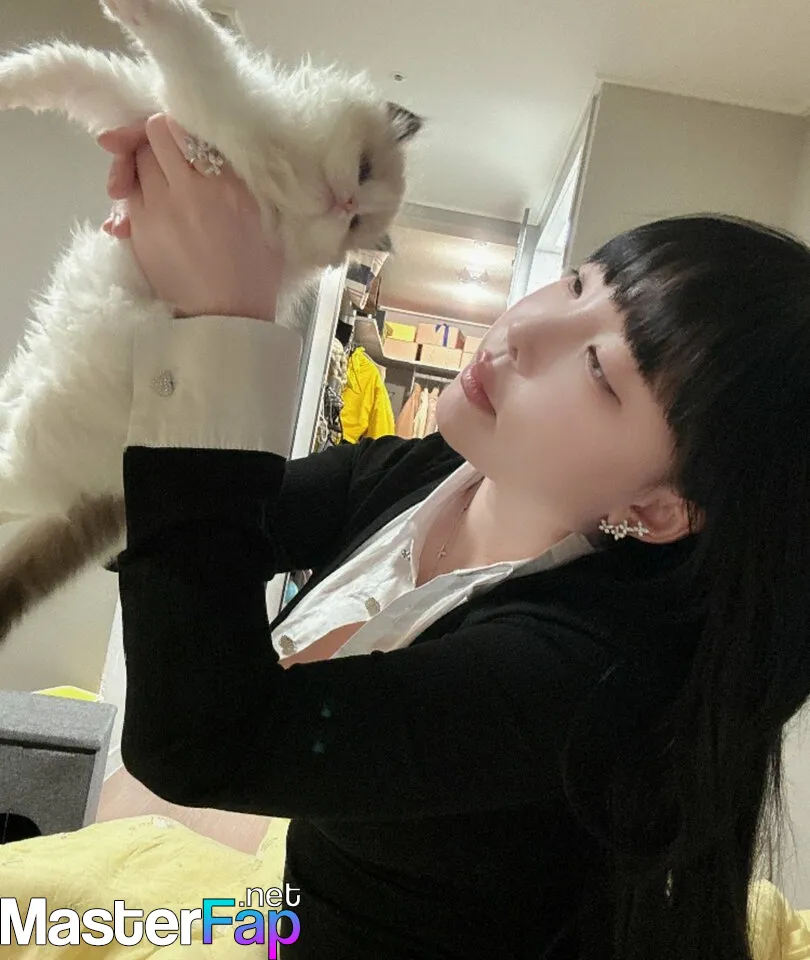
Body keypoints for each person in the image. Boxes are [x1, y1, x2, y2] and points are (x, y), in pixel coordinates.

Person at [89, 112, 810, 960]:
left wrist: (223, 331)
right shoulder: (438, 471)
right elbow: (164, 519)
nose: (522, 333)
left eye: (598, 372)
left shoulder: (589, 673)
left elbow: (198, 743)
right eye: (577, 284)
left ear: (660, 510)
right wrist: (156, 287)